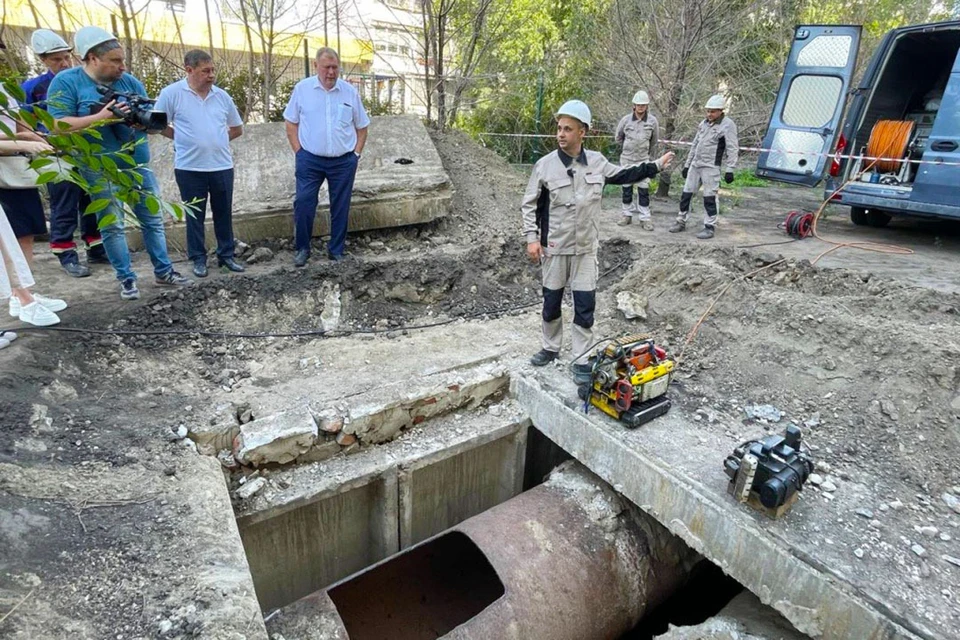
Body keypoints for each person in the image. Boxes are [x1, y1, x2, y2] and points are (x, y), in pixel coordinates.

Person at [521, 100, 674, 382]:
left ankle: (581, 357)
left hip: (586, 251)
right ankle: (550, 347)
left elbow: (626, 174)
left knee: (584, 305)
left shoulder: (598, 163)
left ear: (583, 132)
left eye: (568, 129)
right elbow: (529, 205)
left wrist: (655, 166)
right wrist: (532, 238)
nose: (561, 134)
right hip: (555, 248)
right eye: (559, 128)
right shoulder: (545, 166)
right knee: (551, 302)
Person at [47, 26, 192, 300]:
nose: (122, 67)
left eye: (122, 60)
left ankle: (164, 272)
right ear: (91, 58)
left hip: (137, 164)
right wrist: (101, 117)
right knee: (112, 225)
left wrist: (143, 122)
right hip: (100, 168)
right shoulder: (67, 82)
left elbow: (152, 124)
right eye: (115, 61)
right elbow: (58, 125)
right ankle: (126, 279)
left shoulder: (131, 83)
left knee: (152, 220)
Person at [21, 28, 107, 278]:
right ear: (43, 60)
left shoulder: (82, 80)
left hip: (85, 150)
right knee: (64, 202)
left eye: (66, 57)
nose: (64, 63)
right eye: (56, 59)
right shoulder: (34, 88)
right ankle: (65, 251)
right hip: (54, 153)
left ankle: (96, 247)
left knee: (91, 199)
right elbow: (24, 123)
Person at [155, 49, 246, 278]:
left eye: (213, 70)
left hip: (221, 166)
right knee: (194, 215)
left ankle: (226, 256)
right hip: (189, 167)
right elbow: (156, 124)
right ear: (189, 70)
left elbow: (237, 128)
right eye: (206, 71)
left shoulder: (222, 96)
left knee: (223, 213)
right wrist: (181, 138)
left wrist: (217, 142)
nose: (211, 75)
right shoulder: (172, 94)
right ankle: (198, 259)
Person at [283, 47, 370, 267]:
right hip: (310, 159)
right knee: (303, 202)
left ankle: (336, 250)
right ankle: (302, 248)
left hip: (343, 161)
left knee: (341, 205)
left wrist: (356, 154)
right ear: (316, 66)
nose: (331, 72)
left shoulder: (349, 92)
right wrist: (298, 151)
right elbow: (291, 122)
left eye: (335, 67)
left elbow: (362, 126)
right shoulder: (302, 90)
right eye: (326, 67)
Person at [0, 138, 66, 327]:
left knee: (24, 235)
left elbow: (20, 126)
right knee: (6, 241)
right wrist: (21, 144)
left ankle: (20, 294)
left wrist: (37, 139)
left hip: (16, 166)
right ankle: (25, 300)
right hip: (8, 162)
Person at [670, 94, 739, 240]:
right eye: (707, 111)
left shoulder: (727, 125)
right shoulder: (703, 124)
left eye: (713, 111)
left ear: (720, 111)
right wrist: (687, 164)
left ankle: (710, 226)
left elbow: (732, 148)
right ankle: (681, 221)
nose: (709, 114)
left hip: (711, 167)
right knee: (686, 194)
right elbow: (695, 144)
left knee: (709, 197)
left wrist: (730, 169)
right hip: (696, 165)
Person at [614, 90, 659, 230]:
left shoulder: (652, 121)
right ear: (633, 105)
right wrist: (629, 148)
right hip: (627, 160)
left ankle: (645, 218)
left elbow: (654, 141)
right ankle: (626, 215)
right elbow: (618, 138)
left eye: (643, 105)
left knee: (643, 189)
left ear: (647, 106)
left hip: (643, 160)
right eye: (638, 105)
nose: (640, 107)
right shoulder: (625, 120)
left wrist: (645, 154)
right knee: (626, 188)